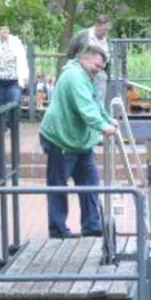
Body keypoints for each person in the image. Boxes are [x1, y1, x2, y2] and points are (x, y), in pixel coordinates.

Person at [39, 41, 117, 238]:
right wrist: (103, 127)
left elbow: (95, 104)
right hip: (61, 139)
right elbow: (86, 108)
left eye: (101, 68)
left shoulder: (85, 77)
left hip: (79, 141)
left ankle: (91, 224)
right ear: (84, 59)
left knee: (90, 180)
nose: (98, 71)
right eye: (96, 66)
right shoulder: (74, 76)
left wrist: (109, 120)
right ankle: (57, 229)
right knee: (59, 184)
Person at [0, 25, 30, 111]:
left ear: (9, 31)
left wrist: (25, 75)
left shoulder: (16, 42)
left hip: (13, 80)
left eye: (6, 30)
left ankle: (13, 124)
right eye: (2, 29)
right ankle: (0, 124)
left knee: (15, 104)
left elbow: (22, 59)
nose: (4, 32)